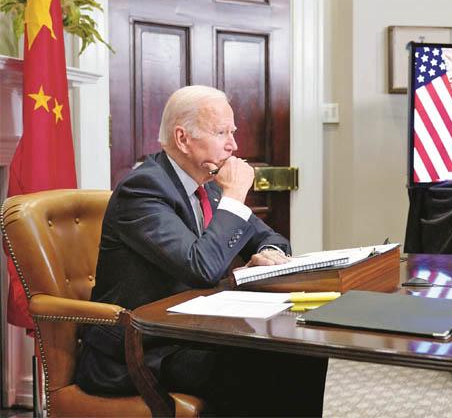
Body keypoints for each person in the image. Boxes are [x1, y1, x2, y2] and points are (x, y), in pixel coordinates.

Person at [75, 85, 328, 416]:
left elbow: (275, 240)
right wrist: (236, 195)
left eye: (232, 132)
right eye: (221, 132)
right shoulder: (143, 190)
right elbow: (201, 268)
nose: (234, 145)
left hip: (194, 334)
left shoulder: (207, 184)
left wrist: (268, 255)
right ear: (182, 139)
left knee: (303, 354)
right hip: (141, 349)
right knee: (262, 372)